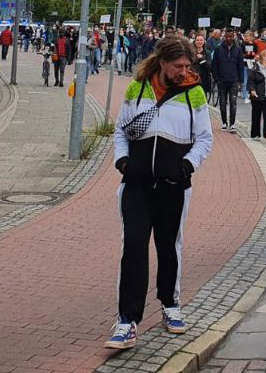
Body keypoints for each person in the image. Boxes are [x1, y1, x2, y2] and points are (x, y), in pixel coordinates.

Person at [107, 36, 214, 349]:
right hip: (136, 184)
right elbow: (120, 130)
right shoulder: (137, 88)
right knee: (135, 247)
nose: (183, 71)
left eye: (187, 66)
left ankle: (170, 304)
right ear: (163, 62)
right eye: (178, 66)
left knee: (169, 246)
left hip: (173, 186)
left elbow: (205, 139)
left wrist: (187, 166)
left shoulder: (194, 93)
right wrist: (122, 161)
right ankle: (127, 320)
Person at [211, 29, 244, 132]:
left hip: (234, 79)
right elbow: (214, 65)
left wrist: (241, 81)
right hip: (222, 80)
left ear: (233, 37)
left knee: (233, 102)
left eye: (231, 37)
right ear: (224, 37)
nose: (229, 38)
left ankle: (232, 123)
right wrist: (216, 78)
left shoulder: (238, 49)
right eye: (227, 36)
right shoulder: (218, 49)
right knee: (222, 102)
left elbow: (240, 65)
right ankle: (224, 122)